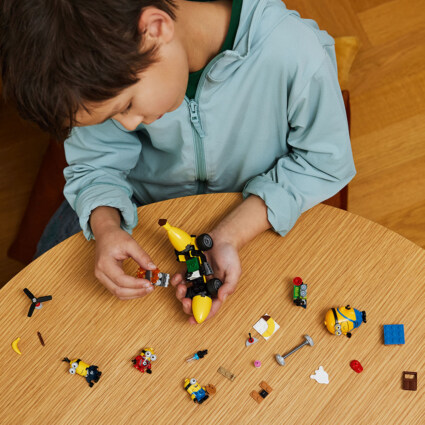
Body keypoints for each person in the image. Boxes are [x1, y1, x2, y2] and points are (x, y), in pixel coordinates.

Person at [0, 0, 356, 323]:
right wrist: (106, 225)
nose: (126, 125)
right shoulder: (100, 71)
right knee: (50, 297)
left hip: (258, 211)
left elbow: (323, 163)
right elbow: (94, 166)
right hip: (136, 208)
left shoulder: (293, 51)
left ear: (156, 28)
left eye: (126, 106)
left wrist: (233, 232)